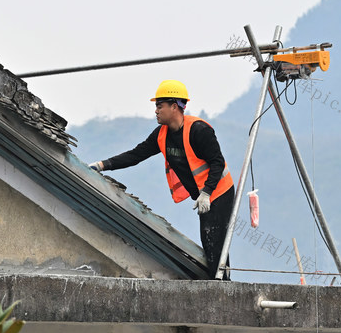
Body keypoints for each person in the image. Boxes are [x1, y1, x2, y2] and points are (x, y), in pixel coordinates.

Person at [89, 80, 235, 279]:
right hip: (203, 193)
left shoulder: (199, 131)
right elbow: (136, 155)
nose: (156, 111)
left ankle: (222, 285)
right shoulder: (161, 135)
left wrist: (207, 193)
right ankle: (220, 282)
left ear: (174, 106)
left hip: (218, 190)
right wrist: (102, 165)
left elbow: (217, 162)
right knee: (210, 241)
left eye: (160, 106)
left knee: (214, 238)